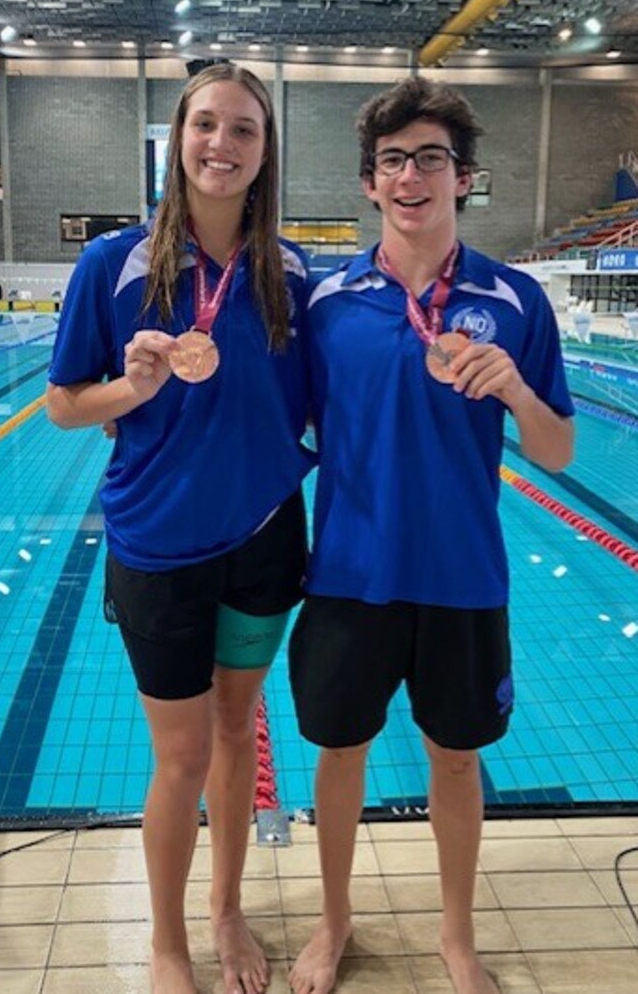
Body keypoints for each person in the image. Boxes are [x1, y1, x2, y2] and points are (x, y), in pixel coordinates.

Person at [288, 76, 574, 994]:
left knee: (457, 756)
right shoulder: (328, 305)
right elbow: (275, 426)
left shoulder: (516, 299)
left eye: (432, 158)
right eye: (393, 161)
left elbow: (560, 450)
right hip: (347, 575)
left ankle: (457, 934)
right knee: (341, 754)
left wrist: (519, 392)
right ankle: (334, 922)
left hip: (463, 577)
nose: (412, 175)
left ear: (465, 177)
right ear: (369, 183)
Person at [46, 62, 314, 994]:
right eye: (207, 124)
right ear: (177, 138)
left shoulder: (288, 272)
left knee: (237, 729)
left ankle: (227, 908)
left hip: (266, 537)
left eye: (245, 129)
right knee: (182, 754)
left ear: (265, 150)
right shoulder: (110, 265)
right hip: (157, 546)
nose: (223, 145)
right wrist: (135, 386)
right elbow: (64, 406)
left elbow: (320, 404)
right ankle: (167, 941)